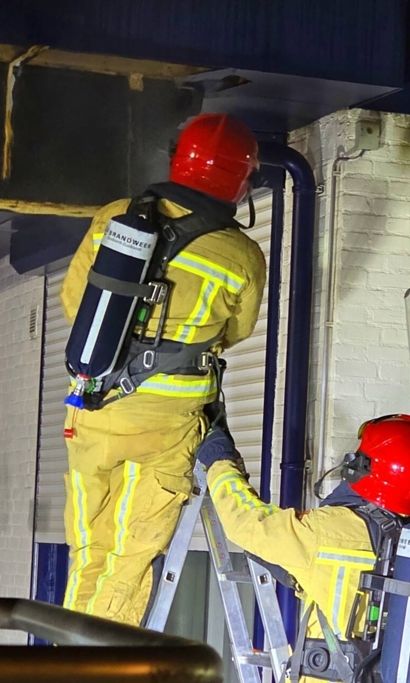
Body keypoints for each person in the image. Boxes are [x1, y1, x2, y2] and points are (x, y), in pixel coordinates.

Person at [59, 113, 267, 626]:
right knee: (126, 562)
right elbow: (236, 332)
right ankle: (94, 662)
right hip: (165, 426)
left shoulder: (115, 217)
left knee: (88, 550)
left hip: (93, 408)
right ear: (240, 181)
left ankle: (64, 654)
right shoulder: (240, 255)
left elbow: (73, 301)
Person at [196, 414, 410, 682]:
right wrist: (297, 576)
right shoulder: (409, 545)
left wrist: (219, 459)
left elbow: (245, 521)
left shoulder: (327, 530)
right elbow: (343, 587)